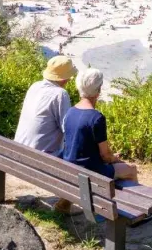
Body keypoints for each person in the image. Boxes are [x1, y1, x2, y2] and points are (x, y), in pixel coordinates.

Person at [14, 56, 77, 214]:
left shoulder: (34, 86)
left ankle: (65, 203)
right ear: (65, 78)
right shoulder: (60, 94)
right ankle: (64, 206)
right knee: (81, 157)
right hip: (40, 160)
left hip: (17, 153)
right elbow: (68, 128)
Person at [61, 69, 138, 183]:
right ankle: (134, 200)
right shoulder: (96, 118)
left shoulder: (70, 112)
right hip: (91, 173)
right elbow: (105, 155)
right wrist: (114, 159)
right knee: (132, 170)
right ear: (98, 90)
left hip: (70, 169)